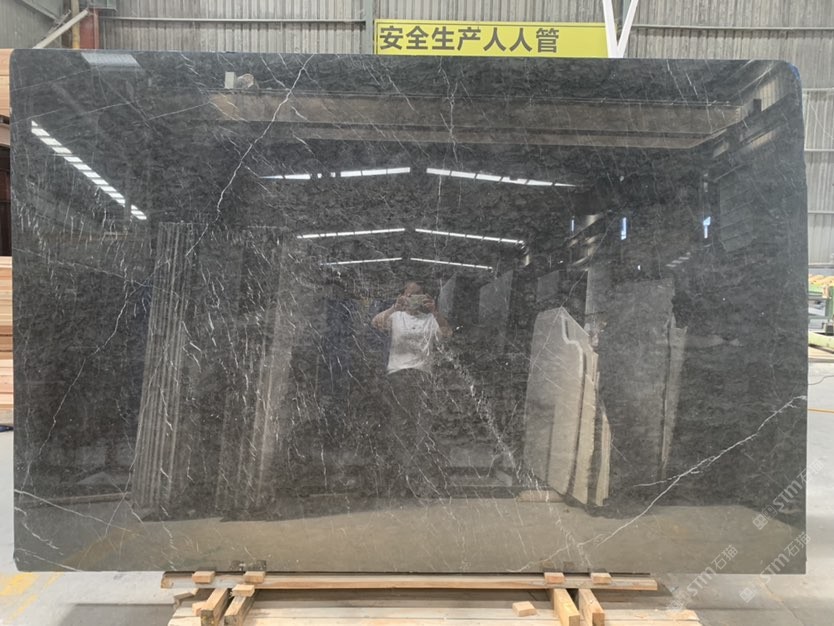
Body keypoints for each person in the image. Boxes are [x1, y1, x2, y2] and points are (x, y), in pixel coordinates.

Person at [371, 281, 452, 498]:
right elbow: (376, 323)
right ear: (403, 296)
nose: (413, 298)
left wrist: (435, 312)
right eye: (409, 294)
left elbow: (446, 333)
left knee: (421, 429)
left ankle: (417, 478)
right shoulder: (396, 317)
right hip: (398, 375)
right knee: (399, 427)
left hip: (422, 375)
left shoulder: (429, 319)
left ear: (424, 297)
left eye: (417, 295)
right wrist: (394, 308)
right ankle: (397, 479)